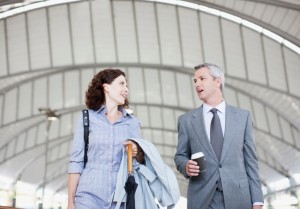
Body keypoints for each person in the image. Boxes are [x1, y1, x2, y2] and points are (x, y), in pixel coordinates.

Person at [174, 63, 264, 209]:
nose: (197, 84)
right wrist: (185, 166)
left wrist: (257, 201)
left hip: (239, 199)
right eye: (195, 81)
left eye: (202, 78)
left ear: (217, 81)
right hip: (202, 200)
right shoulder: (186, 121)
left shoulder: (243, 117)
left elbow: (251, 162)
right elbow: (180, 156)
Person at [68, 68, 144, 209]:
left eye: (126, 85)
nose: (126, 89)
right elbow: (76, 161)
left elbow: (141, 161)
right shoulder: (87, 118)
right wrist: (70, 202)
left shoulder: (132, 122)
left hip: (121, 196)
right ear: (106, 87)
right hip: (88, 196)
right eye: (121, 84)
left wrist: (137, 151)